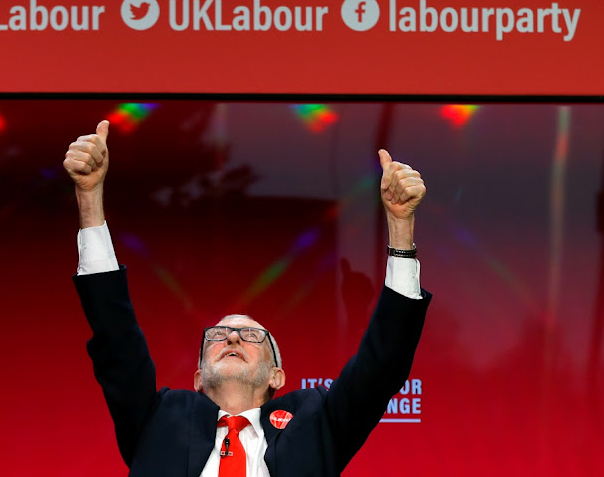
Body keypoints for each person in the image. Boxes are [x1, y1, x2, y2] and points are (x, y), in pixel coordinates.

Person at [64, 120, 432, 476]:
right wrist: (89, 197)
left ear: (277, 375)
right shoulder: (156, 417)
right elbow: (116, 336)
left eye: (253, 335)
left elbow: (384, 361)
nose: (233, 337)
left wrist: (401, 226)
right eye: (218, 335)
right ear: (197, 378)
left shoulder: (317, 422)